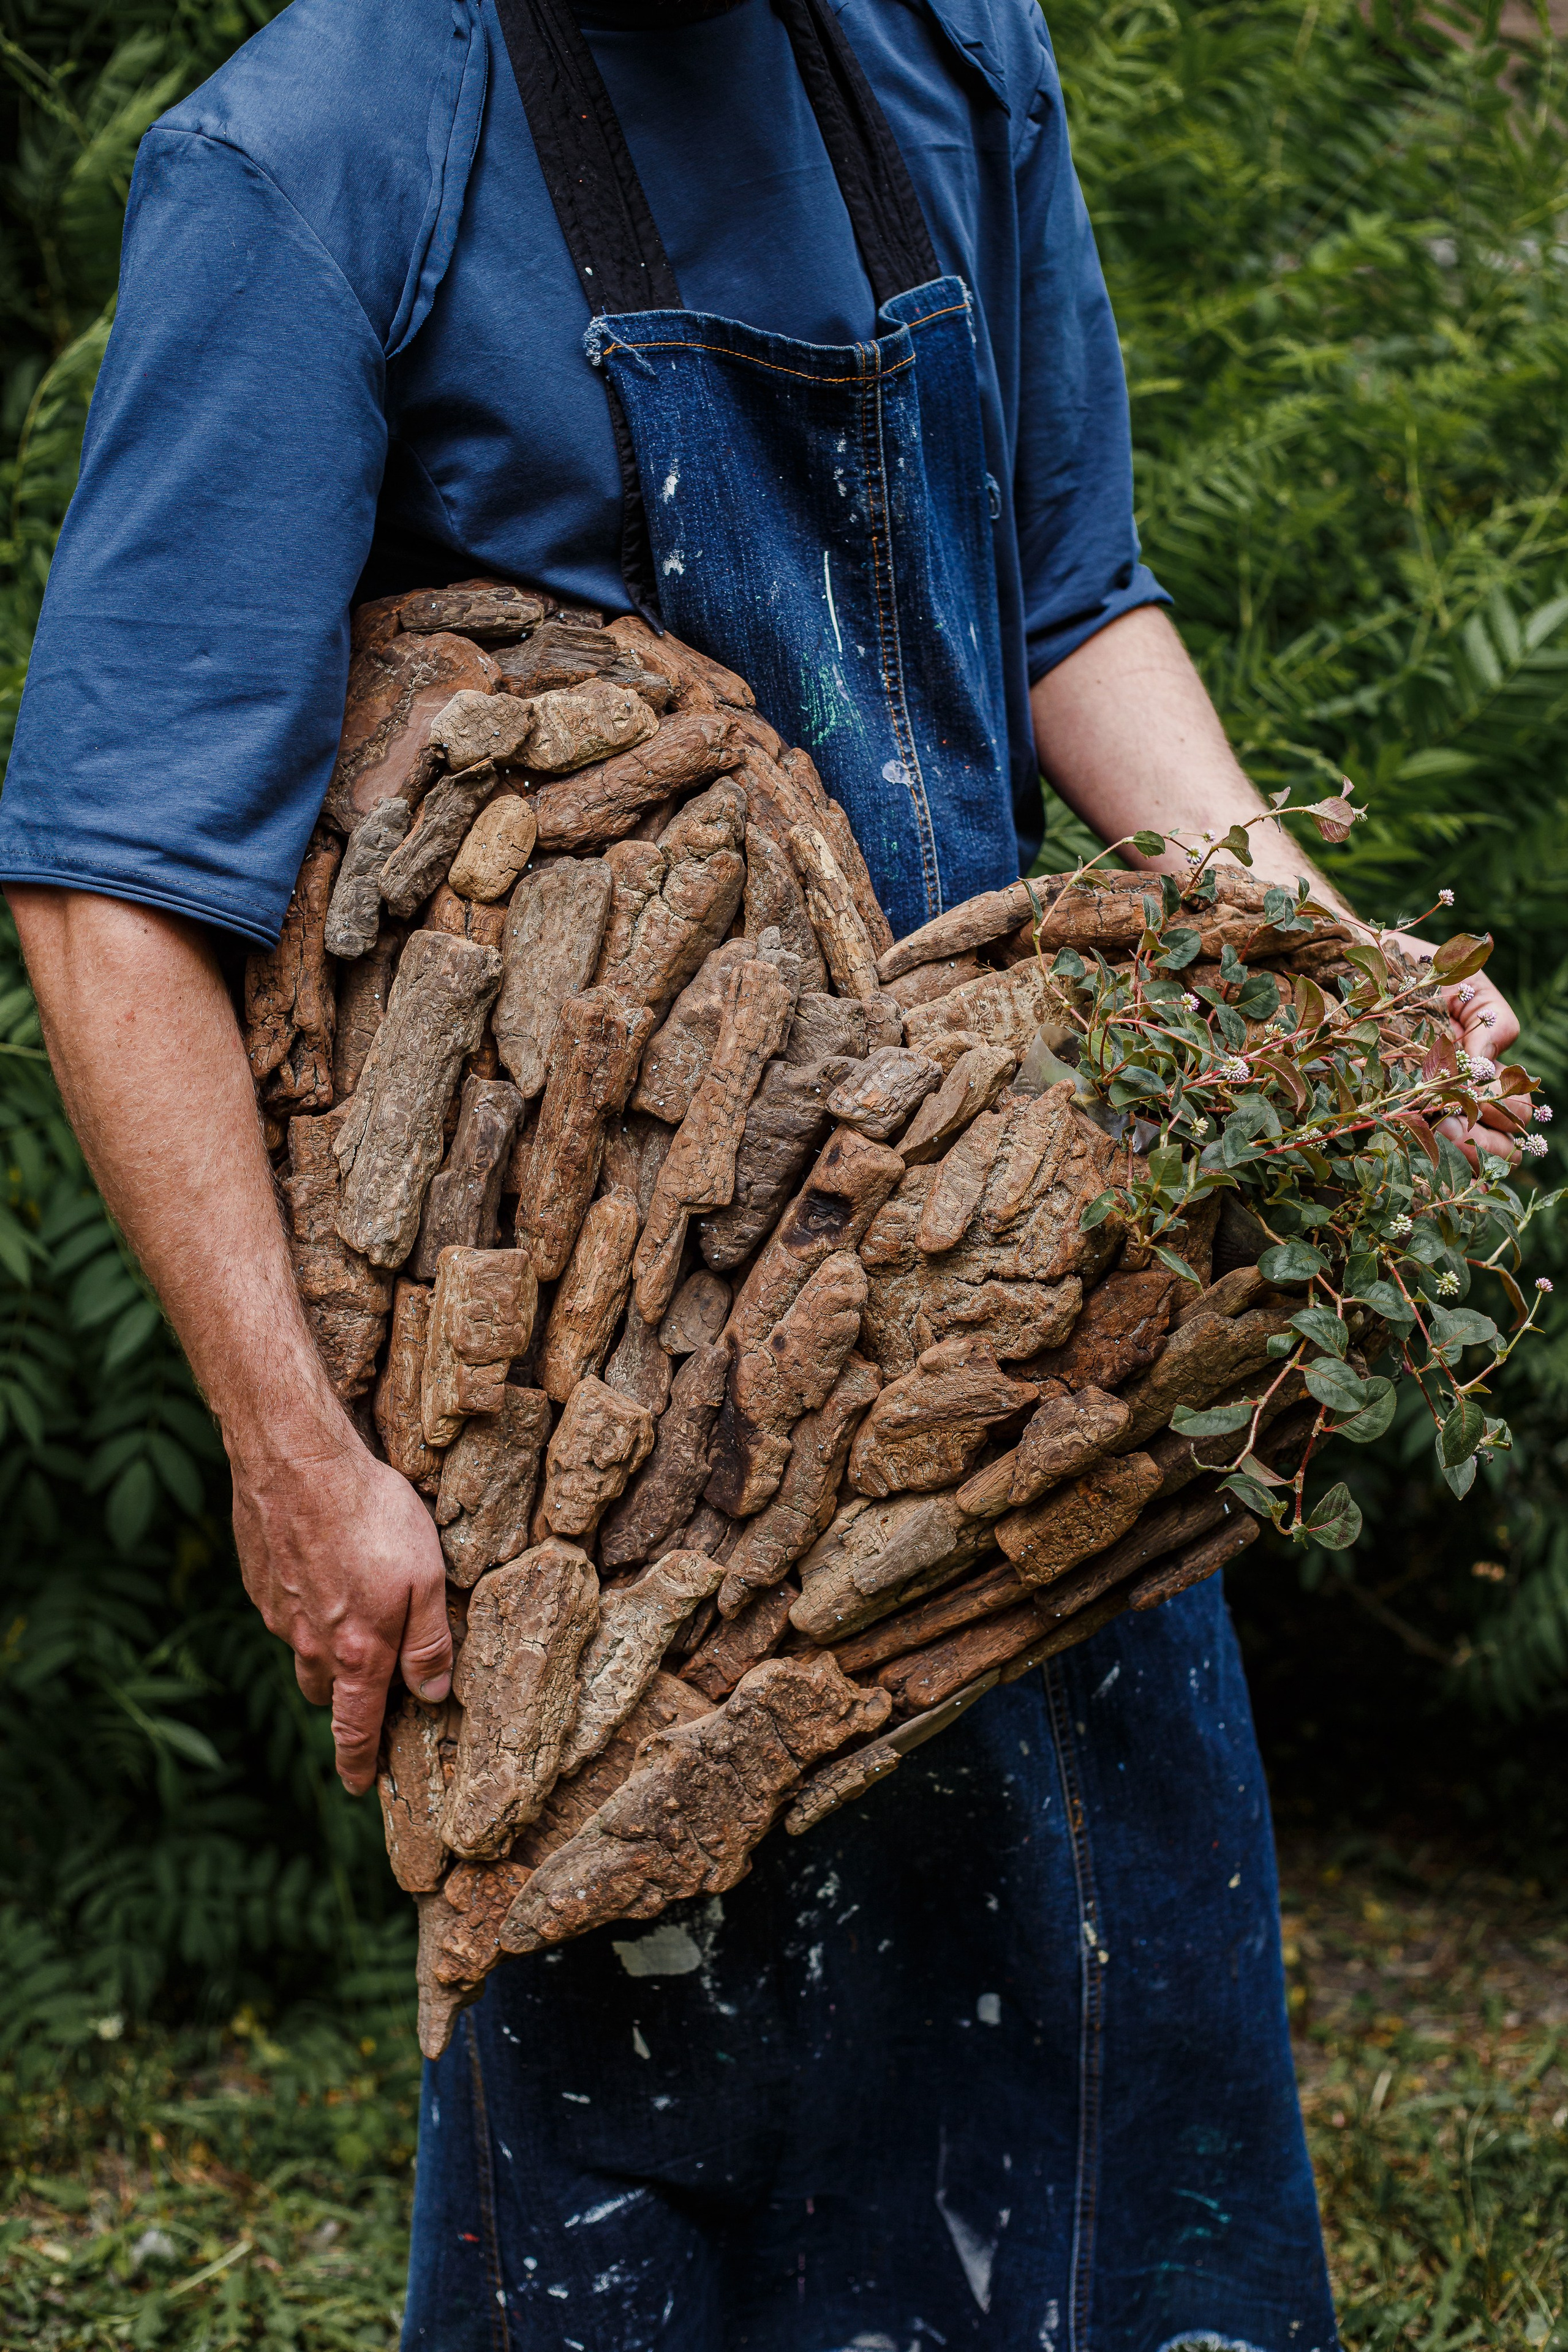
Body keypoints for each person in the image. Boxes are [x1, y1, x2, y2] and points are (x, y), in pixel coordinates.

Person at [0, 0, 1518, 2343]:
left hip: (1035, 1360)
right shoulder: (318, 153)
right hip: (626, 1488)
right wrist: (294, 1449)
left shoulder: (949, 48)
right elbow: (113, 890)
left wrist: (1329, 986)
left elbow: (1072, 603)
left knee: (1116, 2146)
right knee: (658, 2199)